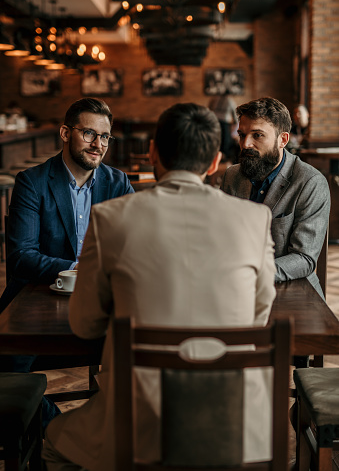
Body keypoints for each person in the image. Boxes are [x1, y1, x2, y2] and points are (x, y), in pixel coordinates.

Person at [43, 102, 276, 471]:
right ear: (215, 162)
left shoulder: (110, 219)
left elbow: (85, 324)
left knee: (54, 443)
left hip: (138, 424)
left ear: (152, 151)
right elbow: (258, 317)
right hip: (233, 424)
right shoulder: (255, 219)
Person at [0, 97, 134, 425]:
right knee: (4, 375)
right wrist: (80, 268)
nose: (98, 144)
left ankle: (101, 439)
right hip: (36, 301)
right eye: (89, 133)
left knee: (138, 363)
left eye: (104, 136)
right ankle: (56, 430)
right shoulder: (32, 182)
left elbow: (134, 247)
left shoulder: (118, 183)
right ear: (64, 132)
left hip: (103, 304)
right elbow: (20, 257)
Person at [220, 96, 330, 299]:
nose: (246, 144)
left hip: (295, 289)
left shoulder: (311, 182)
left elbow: (304, 259)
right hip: (235, 287)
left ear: (283, 140)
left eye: (258, 135)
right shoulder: (231, 176)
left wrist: (251, 274)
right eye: (242, 134)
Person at [209, 89, 238, 161]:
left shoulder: (215, 98)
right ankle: (224, 156)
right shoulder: (230, 100)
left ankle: (216, 155)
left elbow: (210, 108)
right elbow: (234, 112)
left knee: (217, 138)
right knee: (226, 140)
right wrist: (235, 121)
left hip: (215, 120)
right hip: (225, 121)